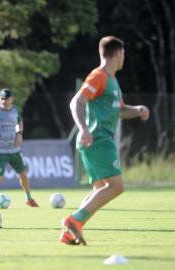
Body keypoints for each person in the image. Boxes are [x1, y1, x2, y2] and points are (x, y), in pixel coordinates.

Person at [60, 36, 150, 245]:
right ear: (118, 53)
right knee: (116, 186)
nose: (124, 57)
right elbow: (77, 102)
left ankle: (70, 231)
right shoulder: (99, 76)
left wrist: (137, 110)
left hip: (97, 140)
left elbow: (119, 110)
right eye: (124, 53)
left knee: (100, 188)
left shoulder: (112, 80)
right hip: (97, 139)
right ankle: (74, 220)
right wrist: (83, 128)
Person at [0, 88, 39, 207]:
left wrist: (19, 134)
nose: (4, 101)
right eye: (2, 99)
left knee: (22, 174)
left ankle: (29, 198)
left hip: (14, 150)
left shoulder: (15, 111)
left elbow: (19, 123)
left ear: (12, 99)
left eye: (6, 99)